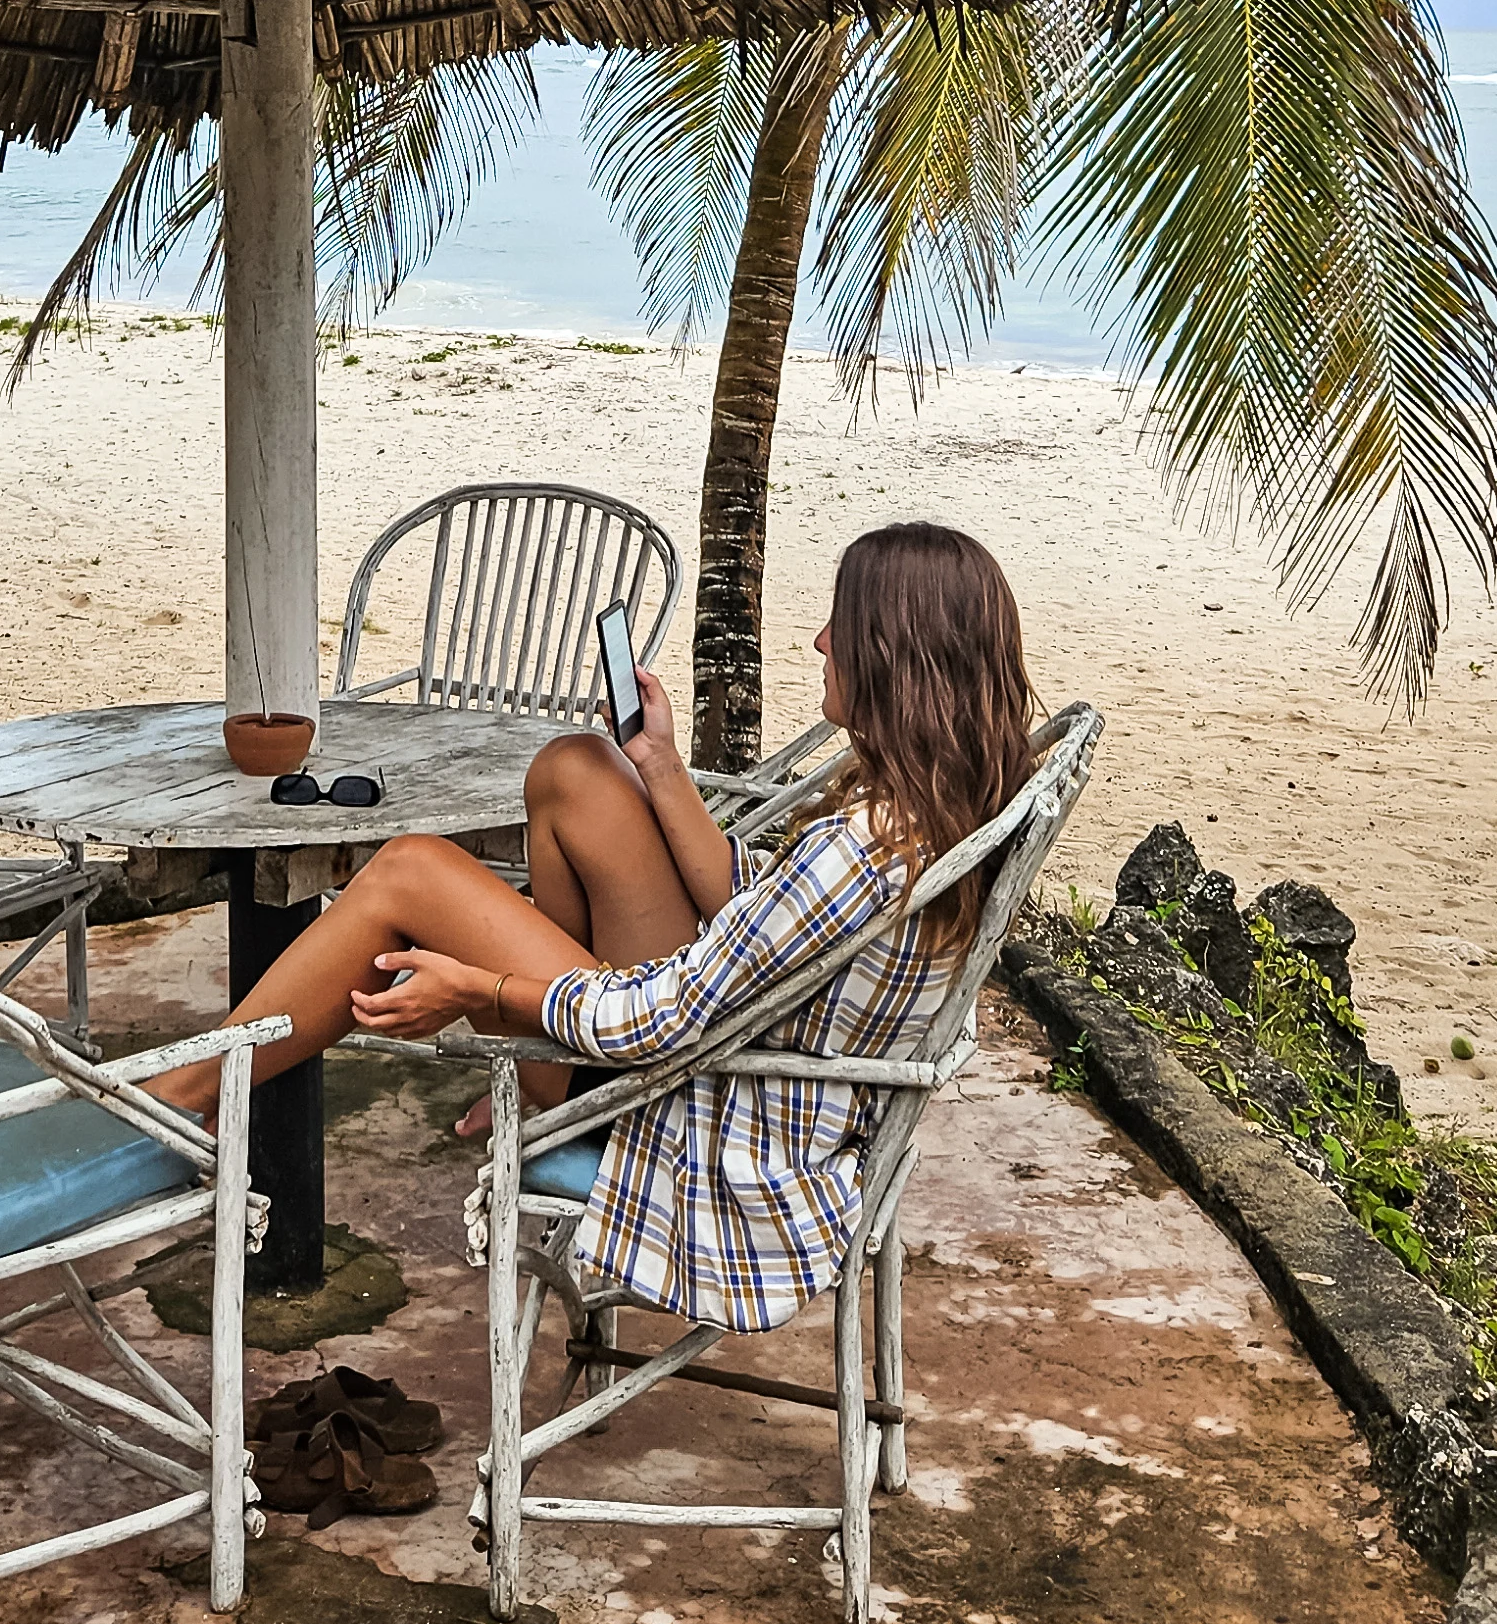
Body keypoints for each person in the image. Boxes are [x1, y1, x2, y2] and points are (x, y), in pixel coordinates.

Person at [145, 521, 1042, 1332]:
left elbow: (661, 1014)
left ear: (893, 656)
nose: (819, 641)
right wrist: (657, 761)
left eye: (839, 627)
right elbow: (752, 903)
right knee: (579, 766)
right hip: (732, 1065)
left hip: (699, 1116)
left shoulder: (860, 851)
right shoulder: (935, 814)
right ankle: (536, 1068)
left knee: (411, 870)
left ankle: (182, 1103)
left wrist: (483, 991)